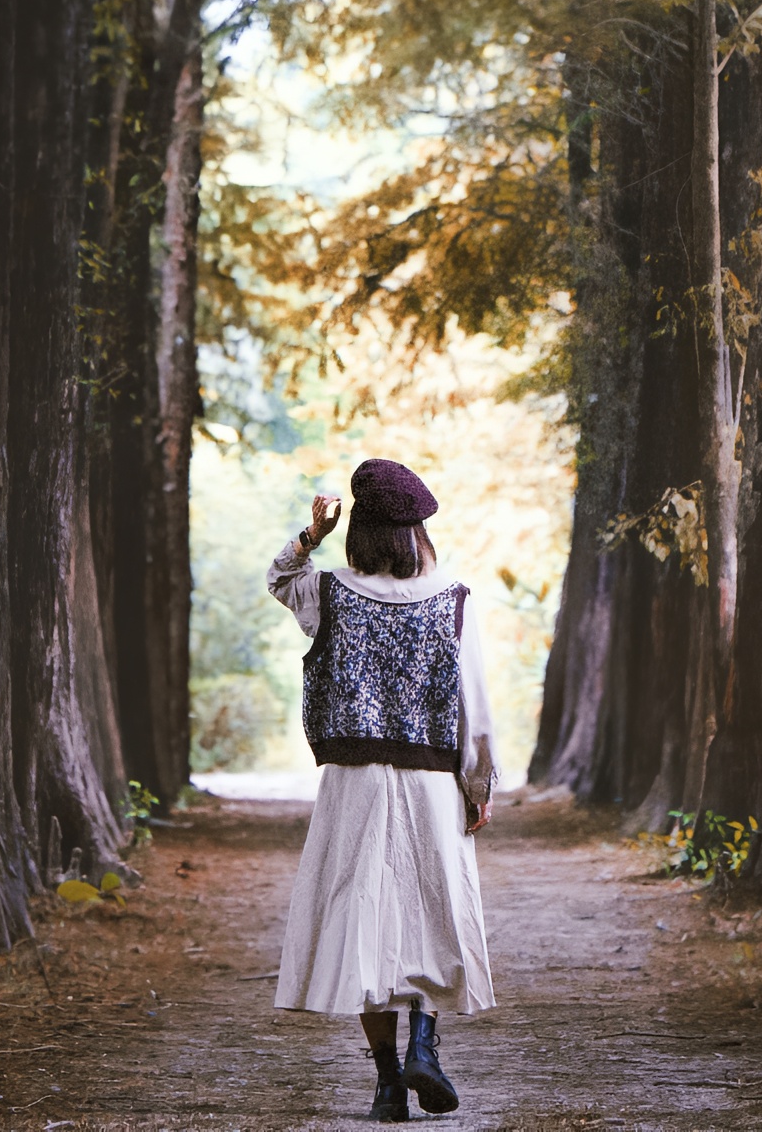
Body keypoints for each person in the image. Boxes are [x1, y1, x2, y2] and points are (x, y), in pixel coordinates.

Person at [268, 457, 497, 1120]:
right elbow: (473, 708)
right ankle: (426, 1043)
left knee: (365, 923)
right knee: (427, 914)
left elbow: (279, 577)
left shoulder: (330, 593)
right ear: (415, 533)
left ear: (358, 531)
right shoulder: (452, 599)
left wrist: (311, 534)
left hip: (354, 783)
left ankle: (389, 1083)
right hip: (429, 780)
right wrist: (477, 786)